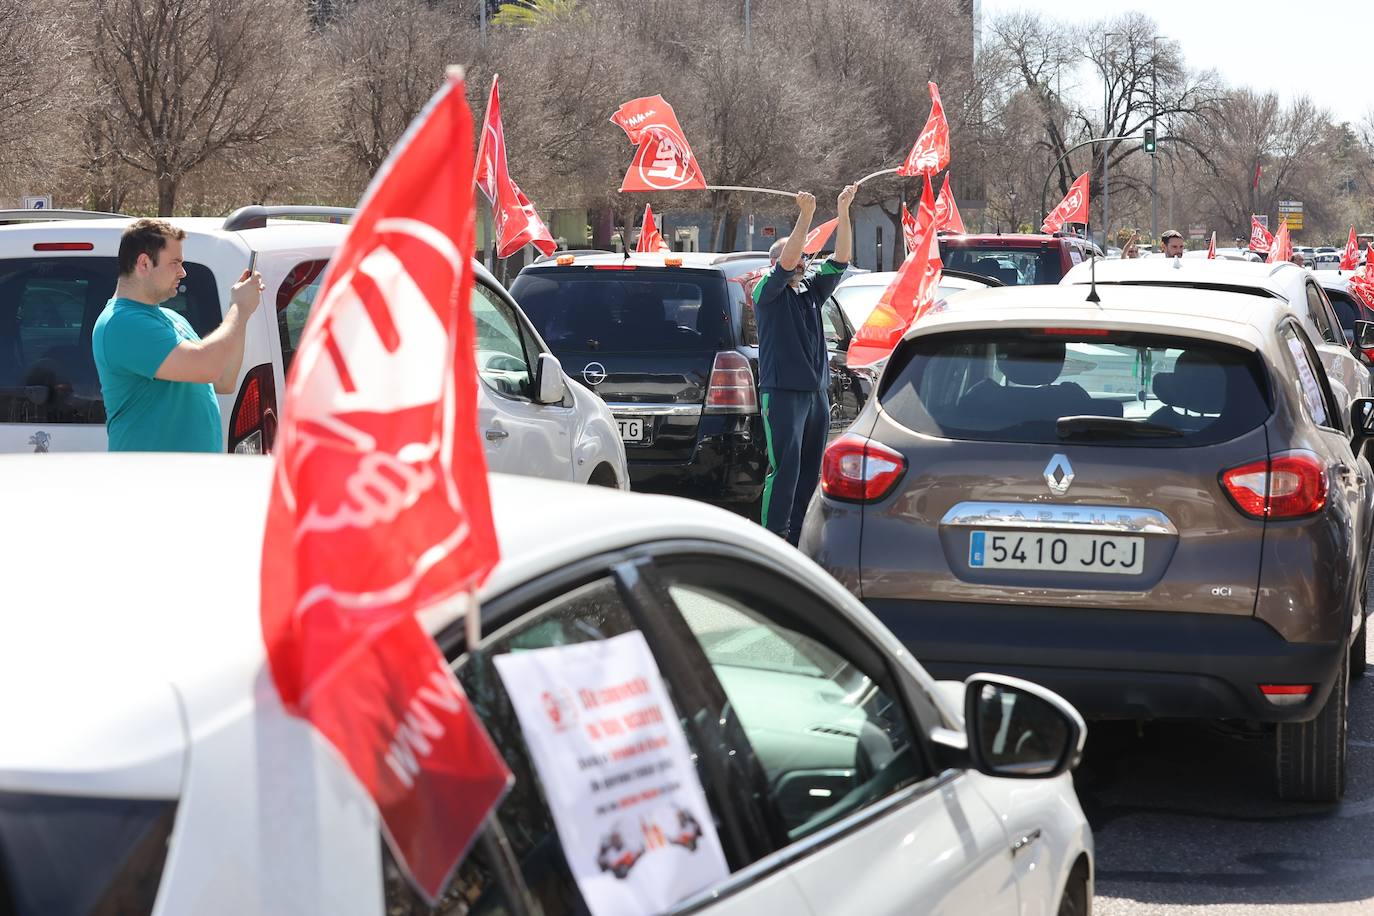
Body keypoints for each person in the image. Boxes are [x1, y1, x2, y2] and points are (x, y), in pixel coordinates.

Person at [93, 218, 262, 452]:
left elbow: (224, 379)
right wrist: (239, 309)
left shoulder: (172, 318)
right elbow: (207, 366)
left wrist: (241, 314)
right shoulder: (121, 323)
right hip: (153, 481)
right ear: (144, 263)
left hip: (185, 478)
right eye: (175, 263)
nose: (183, 272)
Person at [751, 184, 856, 545]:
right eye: (796, 258)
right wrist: (805, 216)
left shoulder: (809, 290)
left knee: (810, 472)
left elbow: (841, 259)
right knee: (785, 470)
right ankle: (773, 541)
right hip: (782, 395)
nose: (802, 263)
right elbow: (784, 262)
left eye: (804, 258)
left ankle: (801, 538)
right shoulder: (766, 291)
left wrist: (843, 211)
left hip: (815, 396)